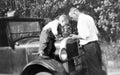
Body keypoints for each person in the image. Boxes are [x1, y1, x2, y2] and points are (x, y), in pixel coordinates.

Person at [69, 7, 107, 75]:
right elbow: (96, 32)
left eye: (72, 17)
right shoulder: (88, 17)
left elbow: (85, 35)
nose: (73, 19)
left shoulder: (81, 20)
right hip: (95, 45)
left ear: (75, 12)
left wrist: (75, 36)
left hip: (89, 47)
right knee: (98, 67)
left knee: (93, 69)